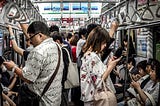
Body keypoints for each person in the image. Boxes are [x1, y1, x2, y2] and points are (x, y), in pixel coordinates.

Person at [3, 21, 64, 106]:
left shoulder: (38, 51)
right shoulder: (56, 46)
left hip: (41, 100)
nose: (30, 41)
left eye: (31, 37)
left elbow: (28, 78)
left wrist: (14, 68)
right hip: (54, 97)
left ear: (40, 35)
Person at [80, 26, 121, 106]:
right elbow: (99, 82)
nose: (105, 45)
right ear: (97, 41)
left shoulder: (90, 55)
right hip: (96, 99)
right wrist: (110, 67)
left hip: (91, 98)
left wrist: (108, 65)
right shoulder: (92, 57)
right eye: (104, 42)